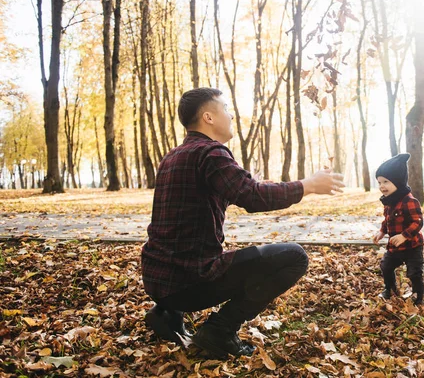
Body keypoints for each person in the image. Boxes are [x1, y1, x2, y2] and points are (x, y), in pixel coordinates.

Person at [141, 87, 344, 358]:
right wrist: (307, 185)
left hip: (157, 281)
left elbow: (197, 205)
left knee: (191, 245)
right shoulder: (211, 153)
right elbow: (253, 198)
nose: (231, 115)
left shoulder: (172, 156)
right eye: (225, 108)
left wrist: (249, 182)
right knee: (295, 256)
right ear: (208, 117)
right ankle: (220, 330)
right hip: (188, 284)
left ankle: (166, 314)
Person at [372, 153, 424, 305]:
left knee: (414, 273)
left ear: (398, 181)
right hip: (395, 247)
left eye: (386, 182)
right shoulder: (389, 201)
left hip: (412, 246)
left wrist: (404, 236)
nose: (382, 186)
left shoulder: (409, 200)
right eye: (379, 182)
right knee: (386, 266)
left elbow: (418, 222)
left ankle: (418, 296)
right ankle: (389, 288)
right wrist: (382, 231)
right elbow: (388, 220)